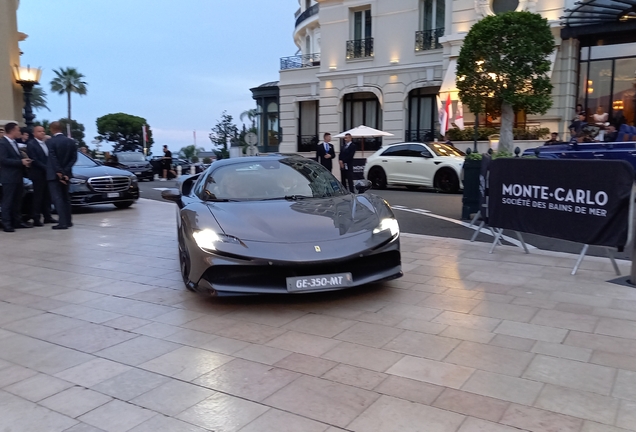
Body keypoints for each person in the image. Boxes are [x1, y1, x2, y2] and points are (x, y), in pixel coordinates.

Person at [0, 122, 33, 232]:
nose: (20, 132)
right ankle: (7, 223)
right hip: (8, 177)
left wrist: (24, 162)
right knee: (8, 201)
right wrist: (20, 162)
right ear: (12, 130)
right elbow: (3, 160)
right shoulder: (3, 143)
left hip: (18, 177)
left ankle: (17, 221)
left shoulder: (14, 143)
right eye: (18, 130)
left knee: (17, 201)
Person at [46, 121, 77, 230]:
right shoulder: (71, 142)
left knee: (57, 198)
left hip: (55, 175)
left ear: (52, 129)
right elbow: (74, 158)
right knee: (66, 198)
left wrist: (60, 172)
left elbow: (53, 158)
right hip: (67, 174)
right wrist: (66, 172)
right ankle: (68, 221)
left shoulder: (51, 142)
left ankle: (62, 222)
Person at [26, 126, 56, 226]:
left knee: (47, 196)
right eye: (39, 131)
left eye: (43, 131)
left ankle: (47, 216)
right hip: (38, 174)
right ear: (34, 133)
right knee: (38, 197)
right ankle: (36, 218)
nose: (42, 133)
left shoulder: (46, 144)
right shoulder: (31, 144)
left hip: (47, 175)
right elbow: (34, 159)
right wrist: (47, 168)